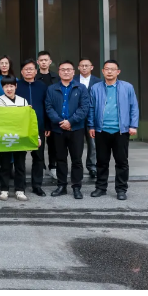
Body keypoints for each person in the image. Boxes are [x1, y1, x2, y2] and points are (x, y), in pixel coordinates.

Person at [88, 60, 139, 201]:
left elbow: (134, 107)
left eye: (112, 69)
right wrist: (91, 126)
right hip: (101, 130)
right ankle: (100, 188)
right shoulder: (96, 88)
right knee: (101, 161)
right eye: (107, 69)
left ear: (118, 72)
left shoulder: (127, 87)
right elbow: (91, 108)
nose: (109, 71)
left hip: (121, 131)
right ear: (103, 71)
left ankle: (121, 189)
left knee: (121, 162)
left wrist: (133, 125)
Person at [45, 60, 90, 199]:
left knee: (77, 160)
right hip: (58, 130)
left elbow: (84, 108)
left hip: (76, 129)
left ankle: (76, 187)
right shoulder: (51, 89)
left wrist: (70, 121)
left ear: (73, 72)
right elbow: (49, 107)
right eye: (63, 69)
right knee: (60, 159)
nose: (66, 72)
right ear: (59, 72)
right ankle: (61, 186)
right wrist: (60, 122)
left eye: (68, 69)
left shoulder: (81, 88)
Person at [0, 76, 37, 201]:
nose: (9, 89)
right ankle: (4, 189)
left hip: (20, 136)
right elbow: (5, 116)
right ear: (2, 88)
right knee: (5, 164)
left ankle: (20, 190)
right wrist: (21, 112)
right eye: (6, 86)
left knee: (20, 165)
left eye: (11, 86)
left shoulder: (23, 100)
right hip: (6, 136)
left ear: (16, 86)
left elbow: (28, 119)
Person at [16, 59, 50, 196]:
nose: (29, 71)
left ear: (36, 71)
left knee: (38, 157)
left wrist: (47, 125)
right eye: (26, 69)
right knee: (20, 158)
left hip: (38, 126)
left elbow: (47, 106)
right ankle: (20, 186)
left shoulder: (42, 86)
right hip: (21, 127)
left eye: (31, 69)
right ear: (22, 72)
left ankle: (37, 185)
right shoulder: (17, 86)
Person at [78, 58, 103, 178]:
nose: (84, 68)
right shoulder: (73, 80)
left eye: (86, 65)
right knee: (76, 144)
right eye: (82, 65)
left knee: (93, 144)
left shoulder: (98, 82)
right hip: (76, 117)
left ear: (91, 67)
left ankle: (92, 167)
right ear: (78, 67)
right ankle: (77, 166)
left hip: (92, 116)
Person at [36, 50, 59, 179]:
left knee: (53, 143)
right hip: (39, 113)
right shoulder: (34, 77)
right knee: (39, 142)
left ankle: (53, 166)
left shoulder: (56, 77)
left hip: (53, 114)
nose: (44, 62)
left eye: (46, 60)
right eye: (41, 60)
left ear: (50, 62)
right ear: (38, 62)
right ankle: (41, 166)